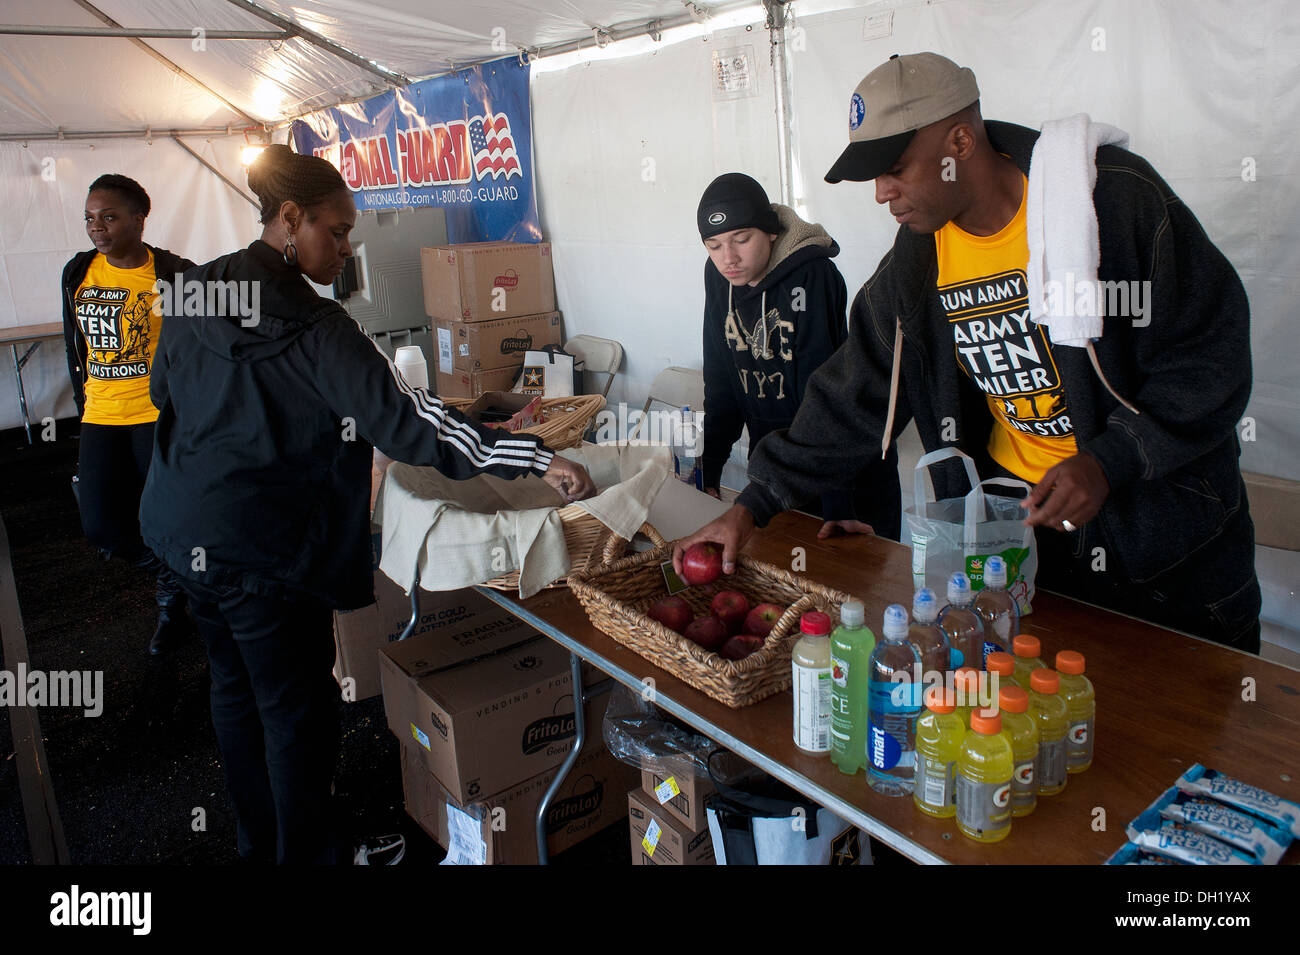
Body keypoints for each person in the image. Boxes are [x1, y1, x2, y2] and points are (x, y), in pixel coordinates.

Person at [675, 53, 1260, 652]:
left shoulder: (1110, 202)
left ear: (959, 140)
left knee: (1193, 728)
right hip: (1024, 542)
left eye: (896, 167)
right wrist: (755, 503)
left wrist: (1110, 460)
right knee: (1050, 722)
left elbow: (1210, 359)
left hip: (1164, 547)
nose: (881, 193)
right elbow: (853, 393)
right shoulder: (916, 263)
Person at [139, 144, 595, 864]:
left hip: (181, 530)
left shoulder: (199, 287)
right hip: (262, 552)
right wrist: (538, 455)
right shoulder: (315, 328)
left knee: (233, 690)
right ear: (289, 218)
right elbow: (414, 426)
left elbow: (164, 394)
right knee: (297, 711)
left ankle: (259, 844)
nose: (347, 248)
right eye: (336, 230)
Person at [696, 173, 901, 540]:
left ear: (771, 231)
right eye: (714, 245)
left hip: (846, 476)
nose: (728, 258)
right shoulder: (718, 276)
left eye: (741, 239)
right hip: (777, 474)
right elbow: (722, 379)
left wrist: (839, 503)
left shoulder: (813, 275)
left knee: (854, 588)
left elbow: (823, 390)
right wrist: (708, 468)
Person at [61, 174, 196, 656]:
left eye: (110, 216)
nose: (97, 227)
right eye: (90, 218)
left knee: (167, 517)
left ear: (140, 219)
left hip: (156, 415)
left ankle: (173, 608)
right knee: (101, 525)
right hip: (100, 414)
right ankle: (173, 582)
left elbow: (206, 342)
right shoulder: (78, 272)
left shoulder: (176, 275)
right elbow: (77, 344)